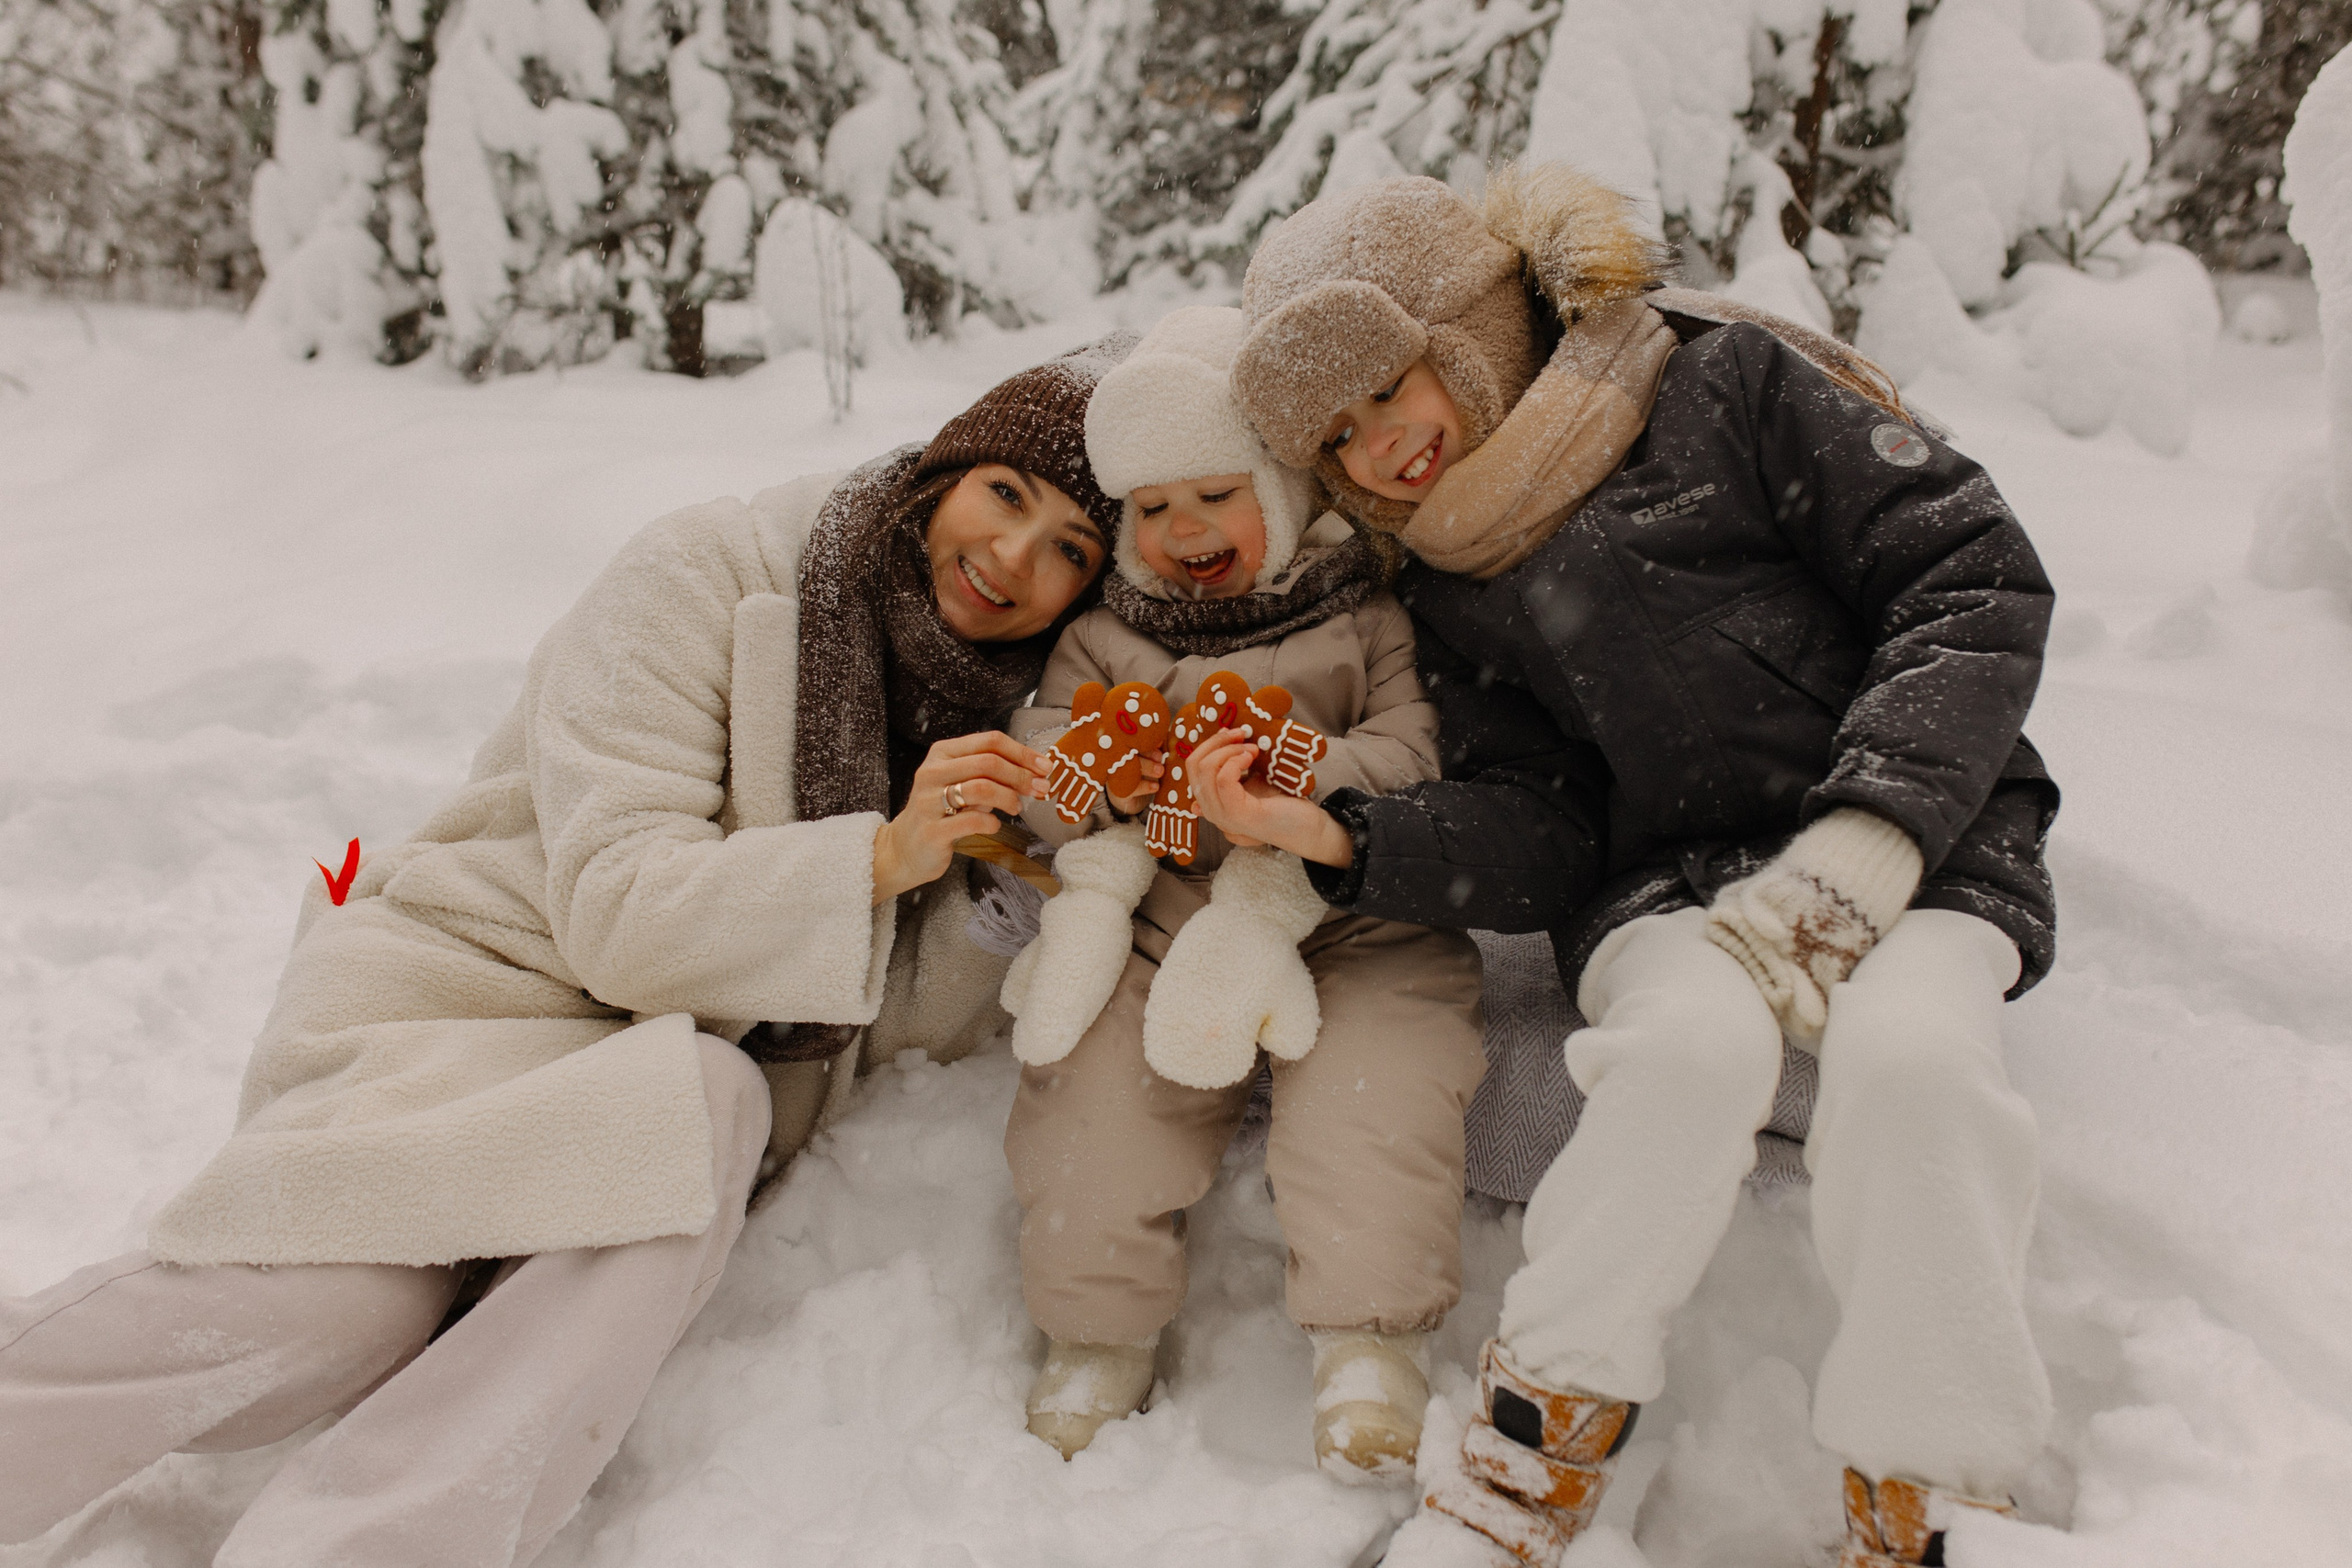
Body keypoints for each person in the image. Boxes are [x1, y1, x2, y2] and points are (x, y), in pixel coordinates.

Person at [0, 342, 1132, 1568]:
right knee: (331, 1309)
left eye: (1072, 546)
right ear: (945, 468)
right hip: (466, 1000)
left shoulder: (1011, 717)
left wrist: (1022, 868)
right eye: (1006, 495)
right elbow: (617, 912)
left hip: (653, 1113)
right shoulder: (710, 570)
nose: (1014, 558)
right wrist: (875, 857)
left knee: (697, 1103)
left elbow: (888, 1020)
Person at [1206, 166, 2062, 1568]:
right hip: (1671, 886)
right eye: (1338, 436)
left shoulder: (1726, 387)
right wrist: (1351, 840)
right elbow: (1542, 823)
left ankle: (1938, 1486)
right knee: (1679, 1062)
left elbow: (1968, 576)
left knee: (1917, 1070)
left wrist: (1876, 828)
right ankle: (1529, 1448)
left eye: (1390, 386)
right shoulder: (1443, 573)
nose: (1380, 448)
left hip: (1923, 839)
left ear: (1468, 329)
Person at [991, 306, 1487, 1480]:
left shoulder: (1365, 617)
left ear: (1275, 486)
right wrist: (1100, 777)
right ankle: (1093, 1330)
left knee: (1381, 1098)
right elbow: (1041, 772)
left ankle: (1370, 1348)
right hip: (1168, 911)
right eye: (1150, 508)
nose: (1182, 528)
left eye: (1213, 492)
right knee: (1093, 1104)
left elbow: (1421, 753)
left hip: (1356, 905)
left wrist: (1303, 777)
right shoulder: (1107, 635)